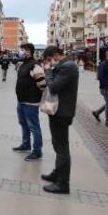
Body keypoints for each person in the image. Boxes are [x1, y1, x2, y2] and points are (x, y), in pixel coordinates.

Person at [41, 46, 79, 194]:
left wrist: (48, 71)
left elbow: (54, 87)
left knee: (62, 148)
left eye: (50, 59)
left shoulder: (68, 67)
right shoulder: (66, 65)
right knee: (57, 145)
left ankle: (63, 184)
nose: (50, 62)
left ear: (56, 55)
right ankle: (57, 174)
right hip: (58, 111)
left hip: (62, 112)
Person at [13, 43, 46, 161]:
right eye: (21, 50)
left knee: (33, 126)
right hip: (21, 100)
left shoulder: (35, 65)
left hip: (31, 102)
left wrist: (36, 95)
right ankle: (26, 144)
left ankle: (37, 151)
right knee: (23, 124)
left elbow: (42, 84)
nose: (21, 52)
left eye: (23, 50)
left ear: (29, 52)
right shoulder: (23, 64)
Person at [92, 50, 108, 129]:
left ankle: (97, 112)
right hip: (106, 88)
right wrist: (107, 87)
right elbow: (100, 77)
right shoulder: (103, 65)